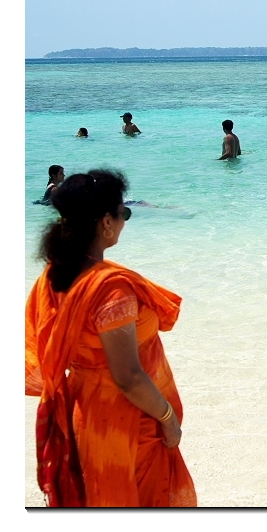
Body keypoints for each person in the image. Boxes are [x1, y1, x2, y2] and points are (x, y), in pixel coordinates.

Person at [24, 169, 196, 507]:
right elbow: (128, 377)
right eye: (123, 213)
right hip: (125, 423)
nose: (124, 221)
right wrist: (168, 418)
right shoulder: (111, 289)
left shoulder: (54, 274)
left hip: (83, 411)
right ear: (106, 222)